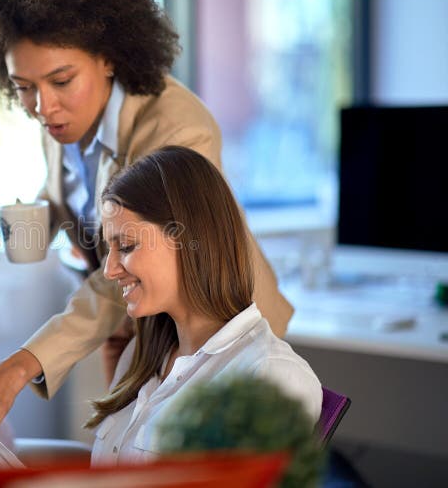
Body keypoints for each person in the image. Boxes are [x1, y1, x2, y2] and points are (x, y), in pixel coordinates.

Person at [0, 0, 293, 432]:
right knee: (119, 454)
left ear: (107, 56)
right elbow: (68, 189)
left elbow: (143, 252)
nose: (43, 107)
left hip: (215, 334)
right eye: (24, 87)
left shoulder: (176, 128)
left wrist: (20, 365)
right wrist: (36, 219)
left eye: (61, 81)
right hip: (144, 326)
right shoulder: (62, 119)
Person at [87, 146, 321, 465]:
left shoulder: (269, 375)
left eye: (126, 246)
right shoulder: (139, 357)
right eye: (108, 248)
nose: (110, 269)